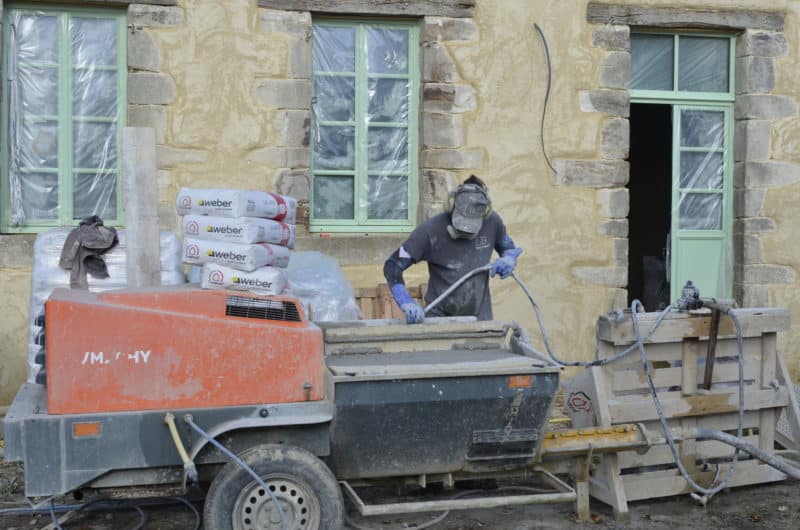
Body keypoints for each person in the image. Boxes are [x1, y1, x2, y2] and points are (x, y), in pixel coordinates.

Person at [384, 175, 523, 324]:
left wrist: (509, 258)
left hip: (480, 319)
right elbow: (392, 266)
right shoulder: (429, 232)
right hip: (439, 319)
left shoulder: (492, 222)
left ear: (485, 213)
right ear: (451, 206)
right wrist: (405, 301)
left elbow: (507, 247)